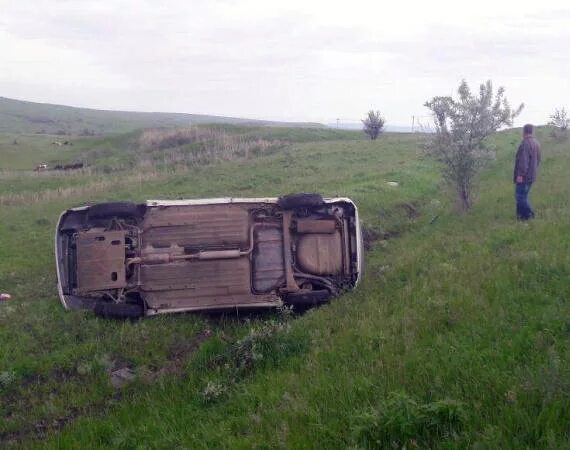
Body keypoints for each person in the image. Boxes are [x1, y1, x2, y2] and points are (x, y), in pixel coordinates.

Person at [513, 124, 541, 220]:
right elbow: (538, 160)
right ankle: (522, 218)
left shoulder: (526, 143)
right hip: (531, 176)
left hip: (524, 177)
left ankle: (531, 214)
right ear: (532, 131)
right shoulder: (536, 143)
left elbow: (523, 161)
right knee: (523, 196)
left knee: (520, 197)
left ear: (524, 132)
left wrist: (520, 175)